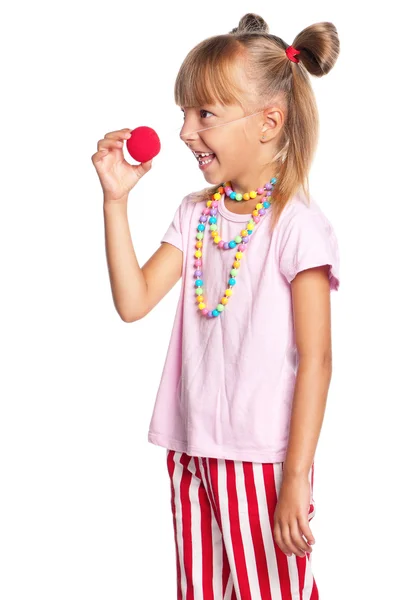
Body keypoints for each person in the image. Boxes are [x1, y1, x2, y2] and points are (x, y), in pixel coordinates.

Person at [92, 13, 340, 600]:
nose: (183, 131)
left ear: (268, 122)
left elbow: (319, 359)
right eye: (184, 112)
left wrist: (295, 479)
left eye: (204, 114)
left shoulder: (297, 226)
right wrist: (115, 202)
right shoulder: (196, 212)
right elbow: (133, 301)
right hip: (190, 448)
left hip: (262, 462)